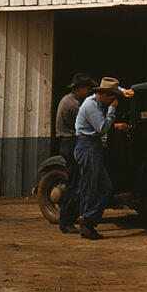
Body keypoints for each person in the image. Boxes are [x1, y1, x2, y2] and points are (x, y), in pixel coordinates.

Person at [74, 77, 131, 240]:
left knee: (105, 188)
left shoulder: (97, 101)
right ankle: (86, 224)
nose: (113, 101)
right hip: (88, 145)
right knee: (90, 188)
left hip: (92, 146)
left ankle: (88, 218)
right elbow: (102, 128)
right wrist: (112, 111)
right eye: (112, 97)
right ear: (105, 95)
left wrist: (123, 91)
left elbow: (113, 90)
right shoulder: (92, 105)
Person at [53, 73, 96, 233]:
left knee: (75, 181)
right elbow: (88, 122)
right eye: (87, 89)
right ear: (81, 89)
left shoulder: (69, 100)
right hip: (71, 142)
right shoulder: (73, 104)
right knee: (75, 183)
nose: (89, 92)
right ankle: (66, 220)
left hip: (68, 142)